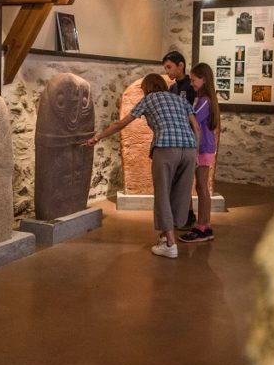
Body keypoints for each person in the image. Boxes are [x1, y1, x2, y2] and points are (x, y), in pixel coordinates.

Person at [83, 74, 198, 259]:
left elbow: (121, 124)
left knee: (162, 194)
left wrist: (97, 137)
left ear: (147, 87)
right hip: (190, 149)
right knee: (181, 194)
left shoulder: (148, 99)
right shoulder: (179, 99)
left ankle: (170, 244)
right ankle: (165, 236)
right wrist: (197, 153)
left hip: (166, 147)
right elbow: (196, 127)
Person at [180, 63, 221, 244]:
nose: (191, 82)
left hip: (203, 147)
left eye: (194, 78)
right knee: (200, 187)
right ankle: (202, 225)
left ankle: (204, 226)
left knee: (202, 187)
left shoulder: (204, 100)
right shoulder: (203, 99)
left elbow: (194, 120)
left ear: (203, 79)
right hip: (203, 146)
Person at [162, 51, 197, 229]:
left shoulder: (191, 86)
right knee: (177, 180)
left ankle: (188, 214)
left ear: (180, 65)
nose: (167, 72)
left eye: (169, 67)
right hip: (176, 138)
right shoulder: (172, 88)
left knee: (185, 181)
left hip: (188, 138)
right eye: (165, 68)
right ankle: (182, 214)